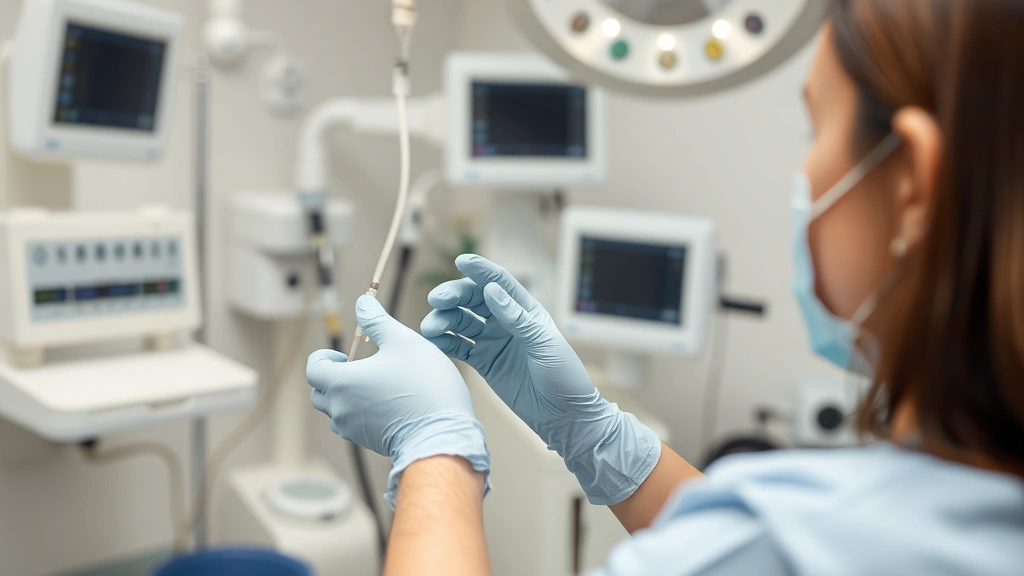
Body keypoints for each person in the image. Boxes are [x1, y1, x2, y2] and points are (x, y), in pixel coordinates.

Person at [306, 0, 1024, 573]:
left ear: (912, 191)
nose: (804, 176)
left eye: (816, 129)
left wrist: (435, 449)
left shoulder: (782, 539)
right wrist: (592, 433)